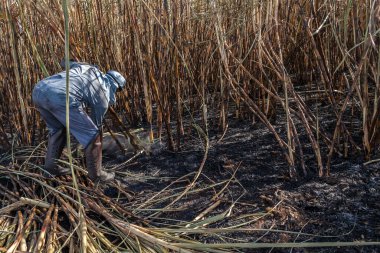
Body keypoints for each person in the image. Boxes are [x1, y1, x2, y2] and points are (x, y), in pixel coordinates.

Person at [32, 60, 126, 182]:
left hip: (39, 90)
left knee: (58, 130)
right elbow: (94, 130)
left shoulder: (86, 67)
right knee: (94, 138)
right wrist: (93, 143)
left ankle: (50, 168)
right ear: (116, 86)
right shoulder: (102, 94)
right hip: (61, 96)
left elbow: (64, 63)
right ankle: (97, 175)